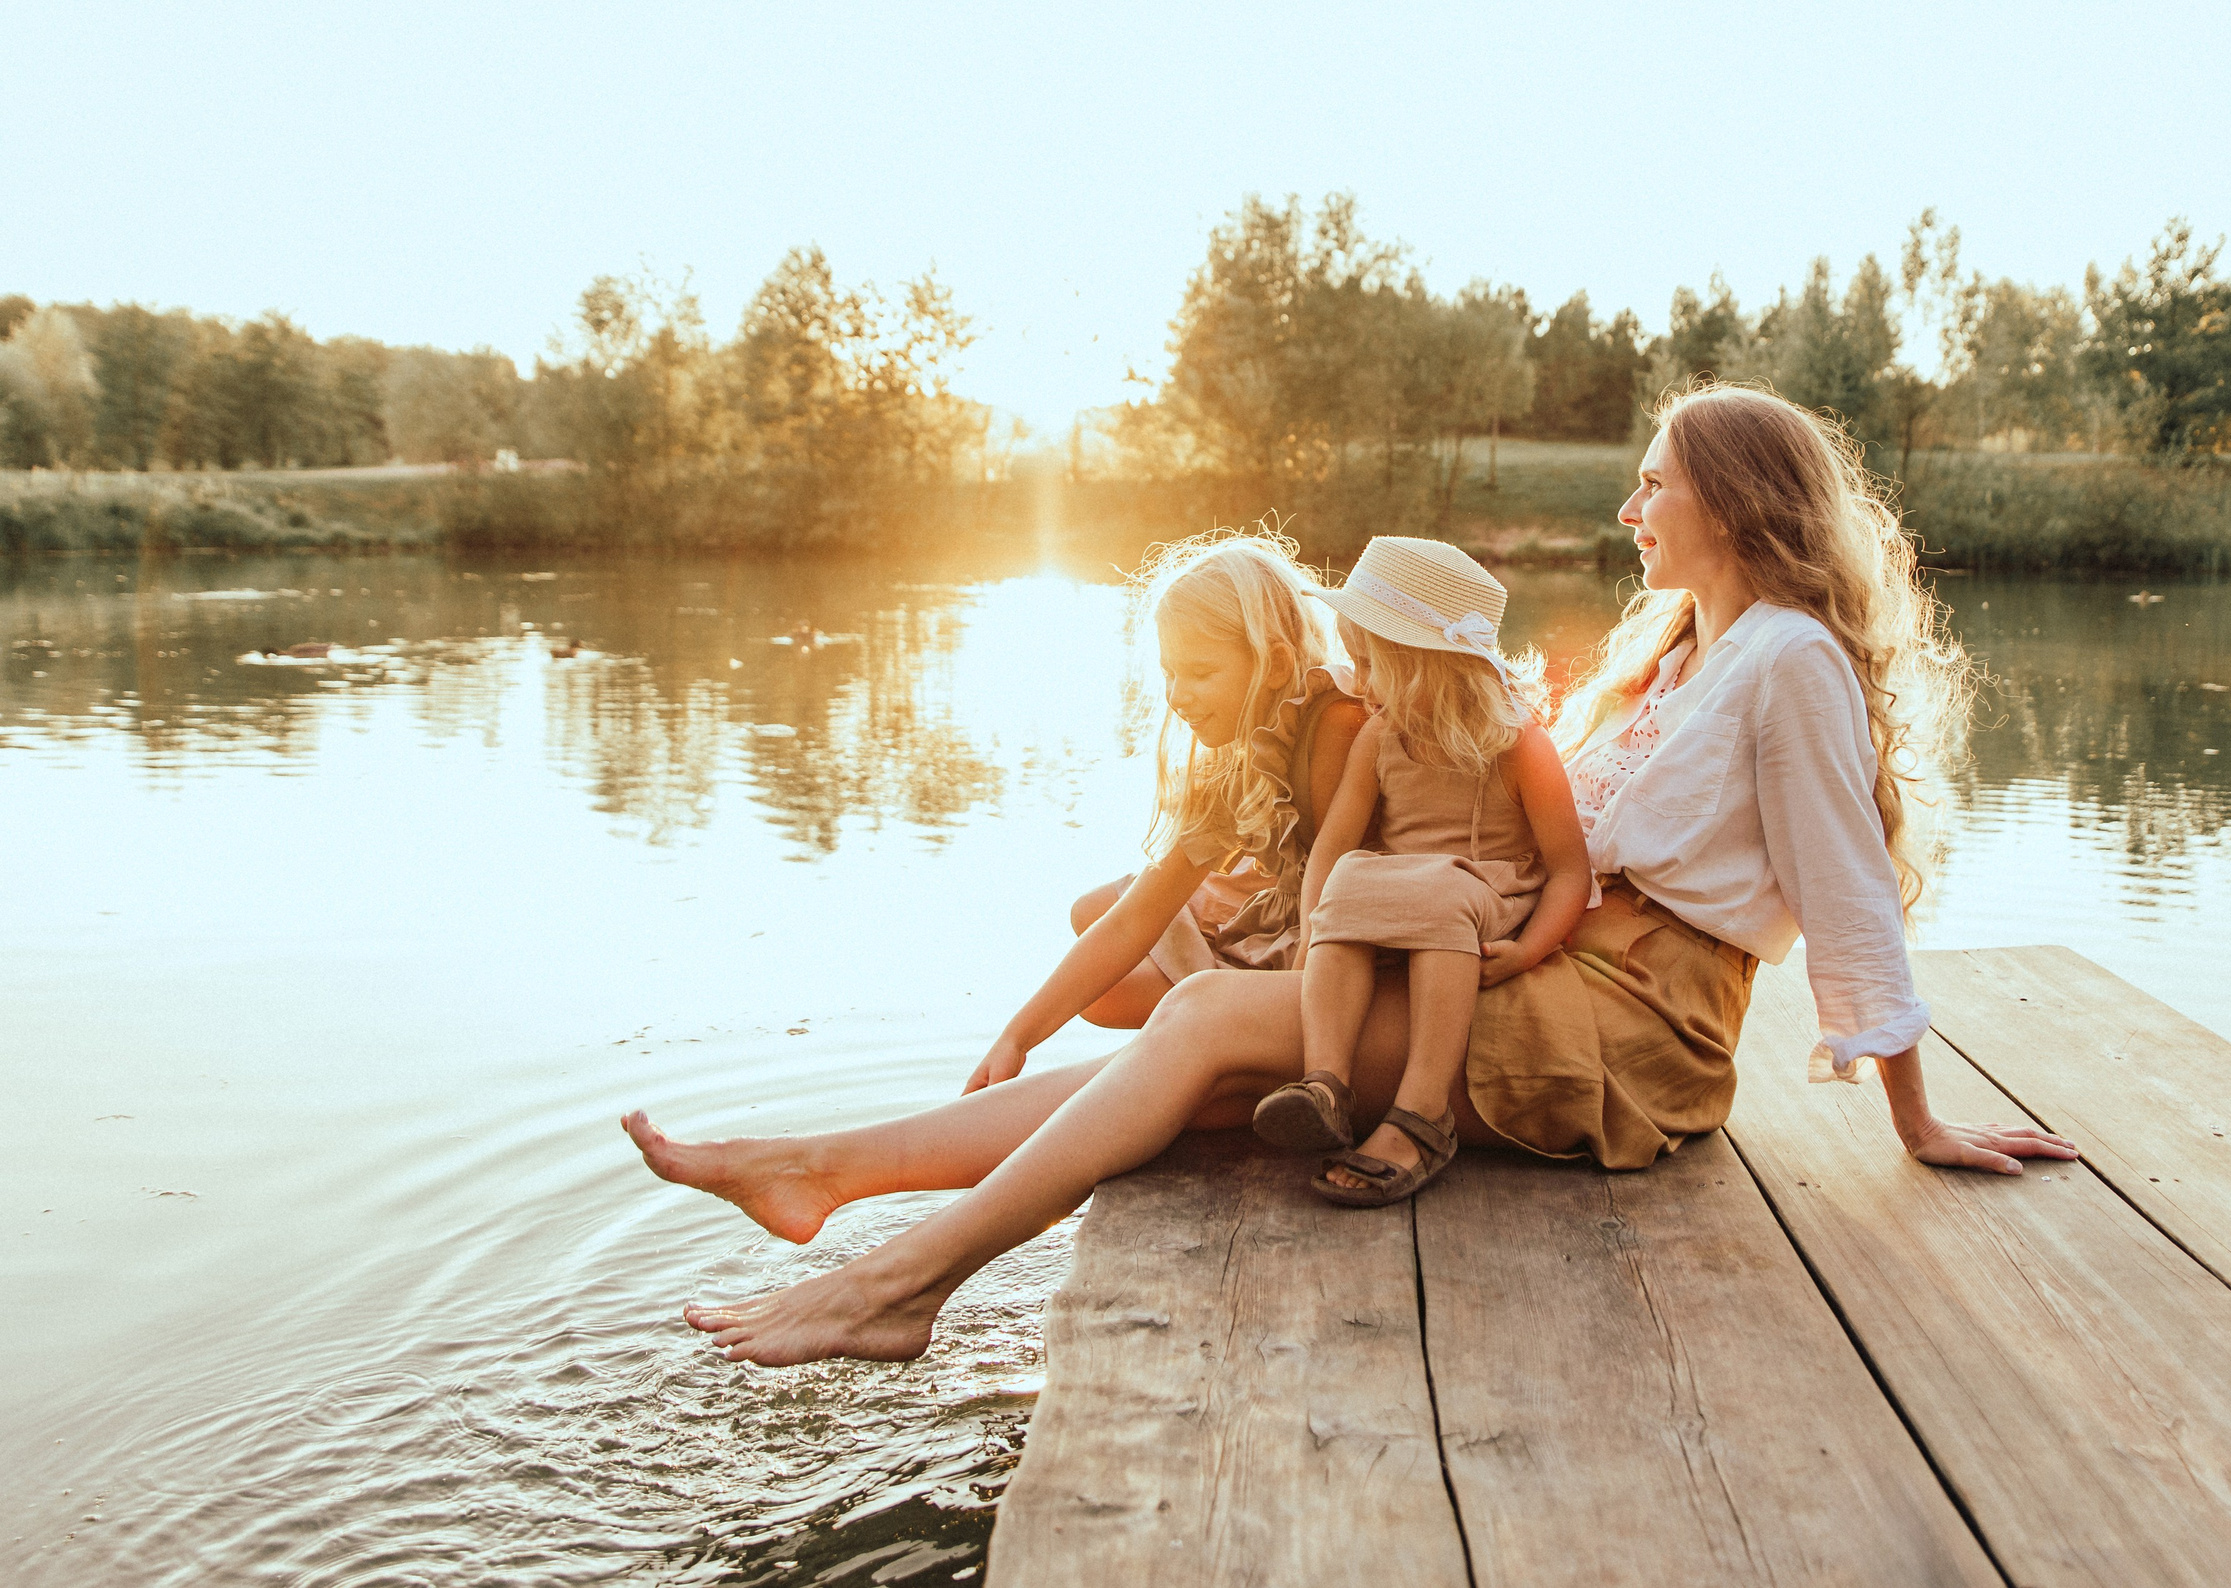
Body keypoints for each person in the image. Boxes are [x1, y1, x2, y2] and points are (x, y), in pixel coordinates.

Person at [625, 385, 2076, 1367]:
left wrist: (1917, 1115)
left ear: (1732, 501)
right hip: (1549, 975)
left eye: (1654, 485)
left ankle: (895, 1285)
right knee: (1201, 1061)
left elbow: (1848, 895)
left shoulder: (1793, 661)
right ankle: (829, 1173)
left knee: (1201, 1027)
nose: (1631, 510)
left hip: (1638, 1036)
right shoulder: (1676, 649)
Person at [956, 530, 1365, 1091]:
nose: (1176, 695)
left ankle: (1214, 1055)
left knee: (1134, 999)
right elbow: (1134, 916)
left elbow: (1336, 909)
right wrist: (1016, 1038)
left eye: (1199, 673)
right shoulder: (1239, 749)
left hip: (1345, 951)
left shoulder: (1331, 728)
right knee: (1099, 927)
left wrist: (1270, 1030)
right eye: (1170, 673)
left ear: (1272, 665)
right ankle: (1202, 1034)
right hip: (1296, 922)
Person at [1252, 538, 1590, 1205]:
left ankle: (1423, 1108)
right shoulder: (1381, 736)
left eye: (1371, 665)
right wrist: (1310, 934)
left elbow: (1569, 872)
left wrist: (1527, 951)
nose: (1360, 684)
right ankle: (1324, 1082)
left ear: (1426, 665)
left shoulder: (1519, 745)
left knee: (1439, 894)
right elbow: (1334, 844)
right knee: (1351, 878)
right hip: (1405, 885)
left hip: (1488, 887)